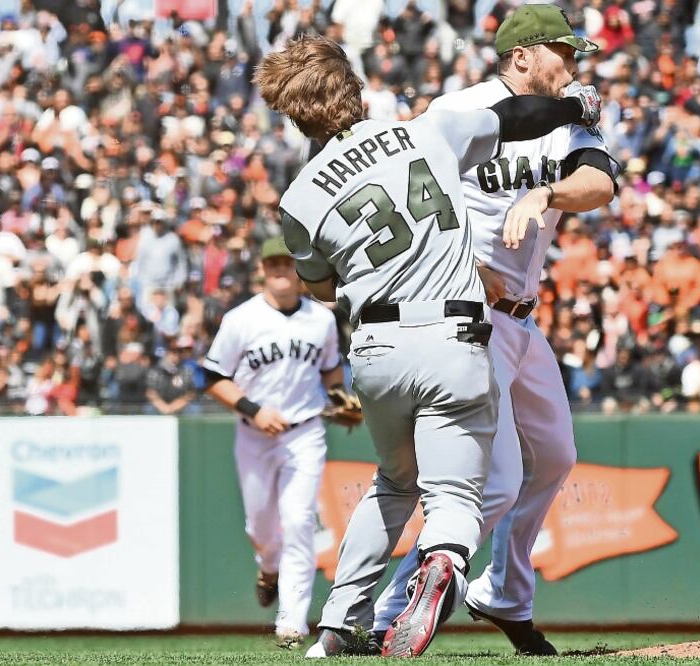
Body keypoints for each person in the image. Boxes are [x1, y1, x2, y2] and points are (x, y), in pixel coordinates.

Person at [253, 34, 600, 657]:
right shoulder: (423, 133)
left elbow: (322, 286)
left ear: (293, 110)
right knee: (460, 497)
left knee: (393, 482)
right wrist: (575, 110)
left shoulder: (298, 199)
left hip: (378, 347)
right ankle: (442, 565)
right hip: (455, 333)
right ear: (353, 88)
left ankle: (335, 624)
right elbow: (513, 117)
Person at [372, 5, 617, 655]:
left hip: (521, 320)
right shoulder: (457, 112)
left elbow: (598, 183)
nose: (575, 66)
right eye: (564, 54)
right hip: (466, 314)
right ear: (521, 56)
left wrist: (548, 196)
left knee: (556, 457)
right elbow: (404, 199)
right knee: (497, 481)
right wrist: (461, 264)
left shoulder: (566, 117)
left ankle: (502, 592)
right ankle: (386, 615)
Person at [202, 237, 344, 649]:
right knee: (261, 527)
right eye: (273, 262)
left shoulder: (321, 320)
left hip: (305, 432)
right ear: (263, 270)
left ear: (300, 270)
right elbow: (212, 377)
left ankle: (292, 621)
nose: (281, 268)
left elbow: (331, 372)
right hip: (254, 434)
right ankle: (268, 567)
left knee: (299, 520)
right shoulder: (240, 320)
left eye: (287, 262)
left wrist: (340, 401)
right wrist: (253, 409)